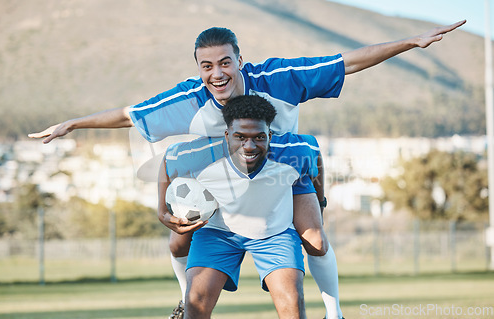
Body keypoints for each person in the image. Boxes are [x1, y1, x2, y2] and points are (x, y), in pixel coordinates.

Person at [29, 20, 466, 319]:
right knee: (177, 241)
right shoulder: (187, 98)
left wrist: (411, 42)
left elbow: (347, 61)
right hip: (222, 186)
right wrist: (72, 124)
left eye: (224, 62)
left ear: (240, 59)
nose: (216, 73)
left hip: (282, 172)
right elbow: (129, 115)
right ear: (198, 68)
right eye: (206, 65)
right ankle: (185, 298)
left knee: (314, 239)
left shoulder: (278, 78)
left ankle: (334, 310)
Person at [159, 95, 322, 319]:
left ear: (270, 136)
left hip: (274, 232)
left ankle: (335, 312)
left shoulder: (295, 152)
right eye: (240, 137)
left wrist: (320, 201)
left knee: (292, 301)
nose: (249, 145)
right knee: (195, 301)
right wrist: (162, 211)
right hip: (218, 232)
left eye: (259, 137)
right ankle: (184, 297)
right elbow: (167, 161)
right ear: (227, 136)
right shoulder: (201, 156)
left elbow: (316, 161)